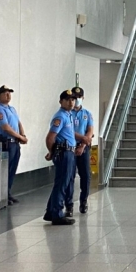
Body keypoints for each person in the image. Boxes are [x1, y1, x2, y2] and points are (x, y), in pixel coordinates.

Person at [43, 90, 77, 225]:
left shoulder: (69, 115)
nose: (71, 102)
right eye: (67, 100)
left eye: (73, 99)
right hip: (64, 153)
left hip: (69, 152)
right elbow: (50, 137)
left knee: (61, 183)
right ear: (61, 101)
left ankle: (50, 212)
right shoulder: (60, 117)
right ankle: (57, 214)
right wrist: (51, 152)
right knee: (62, 184)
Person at [0, 85, 27, 205]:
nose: (8, 95)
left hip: (15, 143)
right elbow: (6, 128)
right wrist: (20, 137)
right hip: (7, 143)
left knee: (12, 170)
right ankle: (2, 196)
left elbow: (18, 123)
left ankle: (7, 193)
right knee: (5, 170)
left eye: (9, 93)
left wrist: (23, 135)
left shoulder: (12, 109)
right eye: (5, 93)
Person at [64, 87, 94, 216]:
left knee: (85, 175)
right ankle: (69, 205)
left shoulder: (87, 114)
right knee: (69, 176)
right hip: (69, 148)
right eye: (74, 98)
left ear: (83, 98)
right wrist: (83, 138)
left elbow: (90, 130)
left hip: (83, 148)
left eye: (79, 97)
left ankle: (84, 201)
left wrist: (82, 145)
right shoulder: (67, 114)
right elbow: (68, 131)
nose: (76, 100)